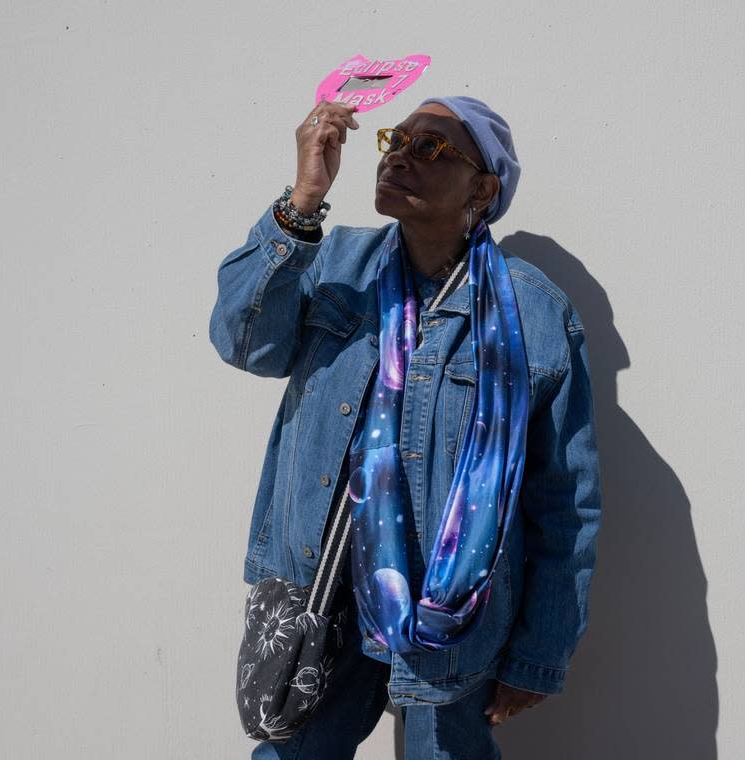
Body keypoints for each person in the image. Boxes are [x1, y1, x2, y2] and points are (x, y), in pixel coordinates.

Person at [208, 94, 603, 759]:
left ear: (483, 188)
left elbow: (564, 502)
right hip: (321, 595)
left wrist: (540, 651)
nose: (399, 156)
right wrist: (301, 202)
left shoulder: (532, 313)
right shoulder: (337, 265)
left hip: (448, 617)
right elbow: (246, 343)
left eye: (433, 148)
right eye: (397, 139)